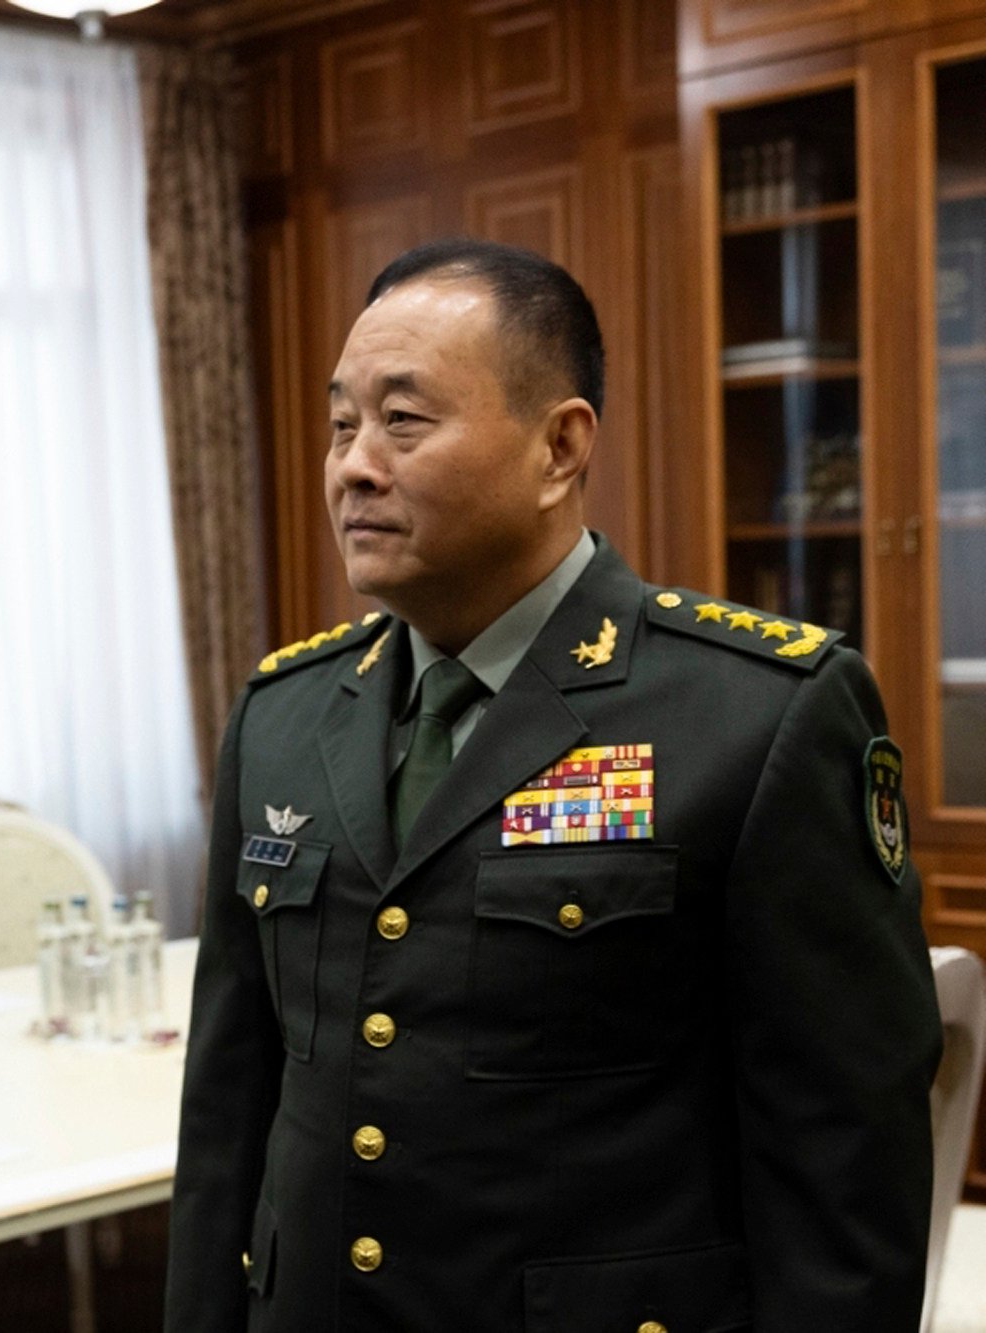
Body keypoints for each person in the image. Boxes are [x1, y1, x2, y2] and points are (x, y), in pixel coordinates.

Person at [166, 238, 941, 1330]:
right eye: (341, 423)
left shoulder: (754, 712)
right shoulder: (283, 716)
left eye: (402, 419)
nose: (351, 464)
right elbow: (227, 1119)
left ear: (557, 448)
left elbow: (842, 1163)